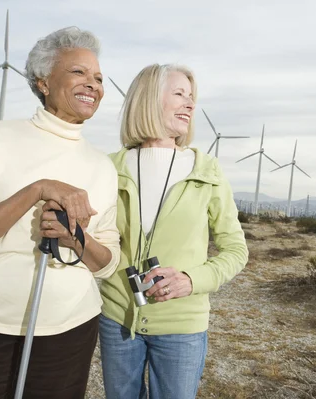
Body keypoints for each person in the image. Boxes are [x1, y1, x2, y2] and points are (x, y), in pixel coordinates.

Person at [0, 27, 120, 399]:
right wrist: (35, 190)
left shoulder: (103, 166)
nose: (92, 84)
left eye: (98, 78)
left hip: (69, 334)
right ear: (42, 81)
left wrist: (74, 237)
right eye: (78, 72)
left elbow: (107, 264)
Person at [98, 64, 249, 399]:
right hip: (117, 321)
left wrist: (191, 279)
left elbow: (237, 250)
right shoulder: (108, 167)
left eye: (192, 97)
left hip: (183, 326)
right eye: (179, 94)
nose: (190, 104)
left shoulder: (207, 170)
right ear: (149, 99)